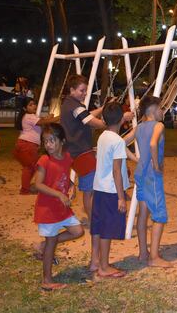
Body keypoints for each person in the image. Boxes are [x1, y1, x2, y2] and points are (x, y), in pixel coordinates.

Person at [60, 74, 131, 272]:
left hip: (79, 153)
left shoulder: (71, 104)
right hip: (81, 153)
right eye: (81, 90)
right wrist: (121, 117)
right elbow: (96, 122)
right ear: (72, 90)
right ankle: (94, 226)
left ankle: (95, 257)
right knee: (91, 198)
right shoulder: (74, 106)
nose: (84, 94)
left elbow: (89, 113)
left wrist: (106, 108)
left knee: (90, 193)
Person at [33, 124, 84, 290]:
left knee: (78, 231)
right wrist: (59, 194)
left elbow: (64, 176)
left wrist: (71, 186)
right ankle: (47, 280)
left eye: (51, 140)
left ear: (62, 141)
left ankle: (45, 245)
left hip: (62, 209)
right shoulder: (44, 161)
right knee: (51, 242)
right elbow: (38, 185)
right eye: (45, 141)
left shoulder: (67, 158)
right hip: (47, 209)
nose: (48, 145)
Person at [91, 102, 137, 278]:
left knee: (98, 226)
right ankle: (104, 266)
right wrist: (120, 197)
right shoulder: (117, 141)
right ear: (121, 120)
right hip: (111, 190)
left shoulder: (103, 136)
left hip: (100, 188)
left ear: (103, 119)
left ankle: (95, 261)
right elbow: (117, 170)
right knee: (107, 229)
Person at [133, 96, 172, 268]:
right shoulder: (159, 125)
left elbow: (121, 143)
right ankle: (154, 257)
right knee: (159, 215)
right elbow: (153, 144)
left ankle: (143, 252)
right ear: (152, 109)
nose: (163, 111)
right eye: (161, 108)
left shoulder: (139, 127)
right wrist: (156, 165)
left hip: (140, 172)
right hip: (151, 175)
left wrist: (136, 159)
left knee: (143, 213)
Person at [13, 98, 57, 194]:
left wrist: (48, 118)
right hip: (27, 145)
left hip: (25, 145)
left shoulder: (29, 116)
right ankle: (25, 190)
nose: (34, 106)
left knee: (32, 167)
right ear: (25, 108)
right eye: (30, 105)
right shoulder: (29, 116)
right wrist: (60, 117)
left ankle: (26, 187)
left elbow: (42, 121)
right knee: (29, 167)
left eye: (34, 104)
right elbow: (43, 122)